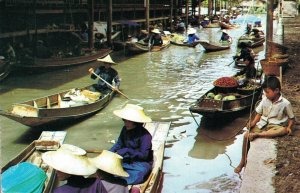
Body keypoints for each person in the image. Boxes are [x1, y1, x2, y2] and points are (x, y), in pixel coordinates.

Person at [234, 76, 295, 174]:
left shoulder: (285, 103)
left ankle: (258, 135)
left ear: (276, 90)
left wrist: (289, 127)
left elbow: (292, 118)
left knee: (282, 130)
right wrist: (253, 123)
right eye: (265, 92)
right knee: (246, 136)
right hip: (262, 124)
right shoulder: (264, 100)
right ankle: (243, 161)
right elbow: (259, 113)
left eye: (267, 92)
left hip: (275, 126)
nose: (265, 94)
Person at [42, 146, 129, 193]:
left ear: (69, 171)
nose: (57, 171)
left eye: (60, 168)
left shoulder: (60, 191)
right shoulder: (96, 182)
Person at [109, 104, 153, 185]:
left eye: (129, 121)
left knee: (139, 174)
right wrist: (109, 152)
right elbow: (119, 143)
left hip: (140, 163)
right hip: (126, 159)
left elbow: (144, 156)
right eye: (125, 120)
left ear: (135, 122)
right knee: (108, 167)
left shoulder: (145, 136)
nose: (126, 123)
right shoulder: (124, 129)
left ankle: (121, 180)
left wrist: (128, 150)